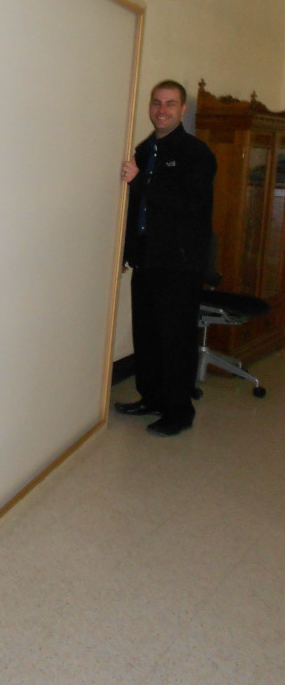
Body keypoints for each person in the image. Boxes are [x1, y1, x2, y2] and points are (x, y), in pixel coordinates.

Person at [116, 79, 216, 437]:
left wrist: (141, 181)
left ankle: (178, 411)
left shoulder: (196, 154)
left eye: (170, 104)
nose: (162, 110)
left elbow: (188, 206)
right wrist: (126, 252)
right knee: (147, 334)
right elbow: (134, 209)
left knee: (174, 338)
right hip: (147, 259)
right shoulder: (144, 151)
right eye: (157, 103)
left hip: (179, 263)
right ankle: (152, 398)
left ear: (182, 110)